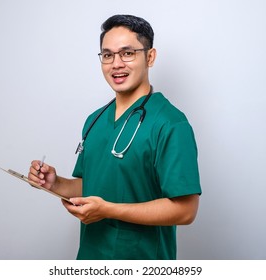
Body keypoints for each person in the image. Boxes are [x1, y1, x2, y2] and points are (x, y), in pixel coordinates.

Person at [28, 14, 201, 260]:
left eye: (127, 53)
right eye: (107, 55)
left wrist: (108, 210)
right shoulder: (95, 120)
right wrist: (55, 184)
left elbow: (186, 210)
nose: (116, 64)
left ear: (149, 57)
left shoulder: (170, 123)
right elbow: (95, 185)